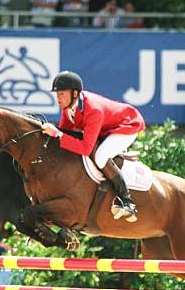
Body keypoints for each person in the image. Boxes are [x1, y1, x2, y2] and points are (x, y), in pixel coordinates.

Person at [41, 71, 145, 222]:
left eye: (61, 94)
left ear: (75, 94)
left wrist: (58, 134)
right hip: (106, 128)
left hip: (126, 126)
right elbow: (65, 132)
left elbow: (85, 148)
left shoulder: (93, 109)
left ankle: (127, 201)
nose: (58, 98)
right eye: (57, 94)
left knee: (100, 156)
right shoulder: (68, 107)